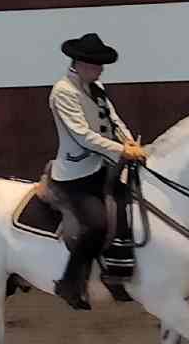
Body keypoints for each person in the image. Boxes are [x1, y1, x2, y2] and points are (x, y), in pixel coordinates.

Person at [47, 34, 146, 311]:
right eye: (96, 65)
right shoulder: (63, 91)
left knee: (129, 208)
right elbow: (81, 136)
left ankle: (116, 273)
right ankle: (69, 282)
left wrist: (129, 142)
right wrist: (122, 151)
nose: (101, 70)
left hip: (105, 166)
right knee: (97, 224)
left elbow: (114, 120)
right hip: (76, 175)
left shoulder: (96, 87)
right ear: (79, 63)